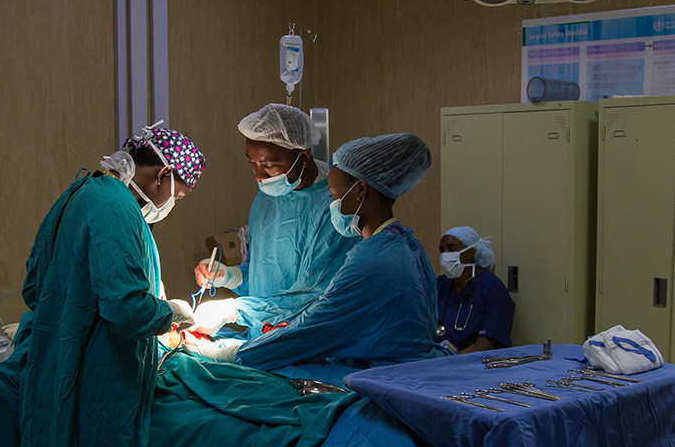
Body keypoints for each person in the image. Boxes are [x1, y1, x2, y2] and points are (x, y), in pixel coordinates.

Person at [187, 133, 450, 386]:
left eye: (334, 196)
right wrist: (235, 294)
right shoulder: (405, 243)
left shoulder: (374, 259)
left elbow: (313, 329)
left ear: (360, 190)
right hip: (409, 373)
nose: (332, 205)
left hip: (391, 382)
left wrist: (231, 353)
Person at [17, 123, 204, 447]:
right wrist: (170, 312)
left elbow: (35, 286)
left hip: (53, 369)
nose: (171, 205)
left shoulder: (79, 193)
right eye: (177, 197)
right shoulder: (118, 209)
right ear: (164, 175)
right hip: (97, 386)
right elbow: (127, 309)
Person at [192, 103, 359, 337]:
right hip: (261, 335)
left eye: (269, 166)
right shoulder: (266, 198)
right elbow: (264, 274)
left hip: (307, 345)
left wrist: (233, 311)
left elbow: (314, 299)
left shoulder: (333, 208)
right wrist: (231, 276)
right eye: (253, 164)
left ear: (303, 158)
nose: (259, 176)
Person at [436, 226, 514, 353]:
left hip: (477, 362)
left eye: (451, 249)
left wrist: (451, 362)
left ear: (470, 254)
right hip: (441, 356)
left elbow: (486, 343)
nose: (445, 255)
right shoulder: (441, 284)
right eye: (442, 251)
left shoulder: (492, 288)